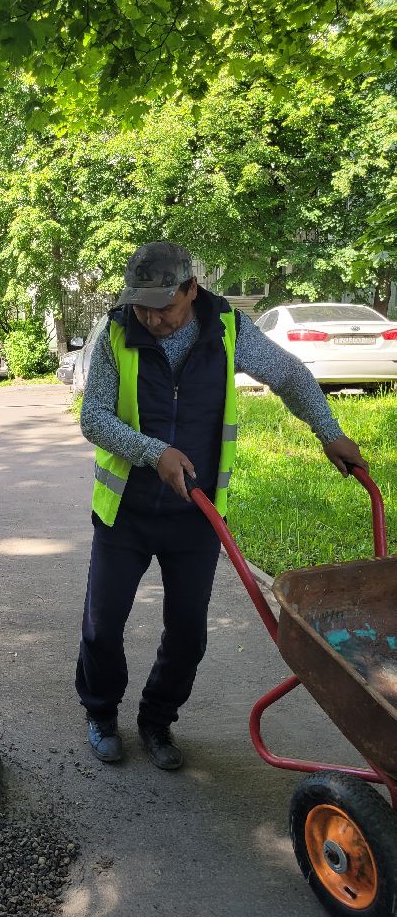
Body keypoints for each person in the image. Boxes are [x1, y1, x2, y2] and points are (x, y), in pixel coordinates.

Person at [76, 242, 367, 769]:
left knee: (188, 634)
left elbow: (290, 376)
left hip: (198, 514)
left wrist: (330, 433)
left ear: (191, 290)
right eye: (142, 306)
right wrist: (153, 453)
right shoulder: (117, 332)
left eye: (163, 306)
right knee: (103, 624)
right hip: (126, 511)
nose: (152, 318)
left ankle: (157, 721)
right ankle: (100, 712)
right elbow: (93, 417)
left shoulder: (229, 330)